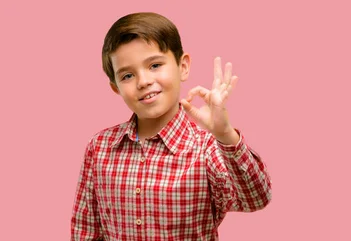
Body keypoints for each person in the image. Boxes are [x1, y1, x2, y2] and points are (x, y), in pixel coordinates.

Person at [70, 12, 272, 240]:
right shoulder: (99, 147)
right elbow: (85, 230)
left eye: (155, 65)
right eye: (127, 75)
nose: (143, 81)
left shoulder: (207, 148)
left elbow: (255, 199)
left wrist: (225, 134)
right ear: (115, 87)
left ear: (183, 66)